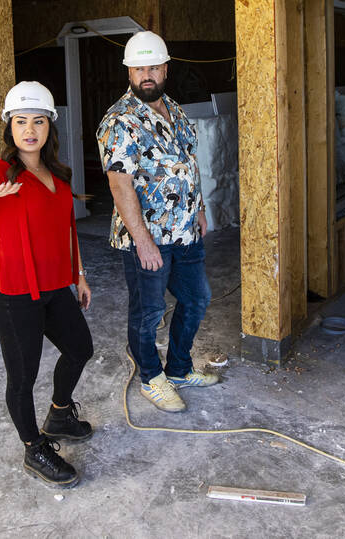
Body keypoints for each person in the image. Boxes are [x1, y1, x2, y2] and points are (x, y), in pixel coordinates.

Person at [0, 81, 94, 488]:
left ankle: (60, 413)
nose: (29, 129)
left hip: (54, 288)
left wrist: (78, 275)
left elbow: (67, 230)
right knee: (23, 377)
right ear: (10, 127)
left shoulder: (58, 176)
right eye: (20, 121)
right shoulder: (0, 173)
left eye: (38, 121)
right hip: (14, 295)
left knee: (81, 349)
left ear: (49, 126)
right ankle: (34, 447)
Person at [96, 31, 218, 413]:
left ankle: (179, 369)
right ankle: (151, 377)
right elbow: (120, 185)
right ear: (129, 72)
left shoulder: (175, 109)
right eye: (139, 69)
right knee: (148, 312)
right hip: (147, 237)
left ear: (165, 68)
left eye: (153, 67)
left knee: (197, 299)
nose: (146, 74)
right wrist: (143, 241)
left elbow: (189, 161)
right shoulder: (119, 121)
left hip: (185, 230)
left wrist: (198, 208)